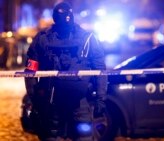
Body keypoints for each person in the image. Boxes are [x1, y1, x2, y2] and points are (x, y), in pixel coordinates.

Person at [24, 1, 107, 141]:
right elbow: (30, 71)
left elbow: (100, 71)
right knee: (64, 135)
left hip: (74, 100)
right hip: (54, 100)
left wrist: (100, 99)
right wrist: (34, 97)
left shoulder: (87, 39)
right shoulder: (44, 39)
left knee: (78, 135)